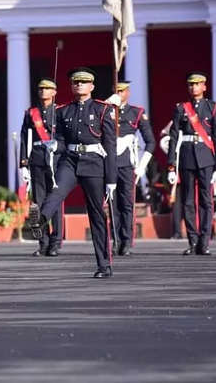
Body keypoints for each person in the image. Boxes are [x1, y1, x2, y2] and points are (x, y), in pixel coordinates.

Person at [27, 67, 115, 278]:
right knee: (56, 191)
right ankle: (41, 220)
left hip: (94, 162)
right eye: (76, 82)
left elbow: (110, 146)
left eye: (83, 82)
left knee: (96, 214)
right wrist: (55, 145)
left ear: (91, 86)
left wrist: (111, 179)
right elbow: (63, 139)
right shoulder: (63, 111)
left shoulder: (102, 109)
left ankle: (104, 264)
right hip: (70, 160)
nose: (79, 85)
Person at [166, 72, 216, 256]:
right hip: (187, 157)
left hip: (206, 158)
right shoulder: (182, 108)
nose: (193, 87)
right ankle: (192, 240)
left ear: (204, 87)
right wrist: (171, 165)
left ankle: (204, 242)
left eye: (197, 84)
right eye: (191, 84)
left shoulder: (213, 108)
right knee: (188, 201)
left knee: (206, 201)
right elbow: (173, 137)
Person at [109, 81, 155, 256]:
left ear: (128, 93)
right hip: (109, 163)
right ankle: (115, 240)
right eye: (116, 91)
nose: (119, 94)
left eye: (122, 91)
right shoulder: (105, 110)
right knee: (111, 205)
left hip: (127, 165)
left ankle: (126, 241)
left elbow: (150, 142)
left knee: (126, 204)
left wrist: (142, 166)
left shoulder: (136, 113)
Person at [18, 78, 62, 257]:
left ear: (54, 92)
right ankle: (43, 242)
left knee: (55, 202)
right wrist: (23, 162)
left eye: (47, 88)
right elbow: (23, 137)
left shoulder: (59, 112)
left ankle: (55, 242)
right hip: (36, 159)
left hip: (55, 160)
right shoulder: (31, 113)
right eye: (41, 88)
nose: (43, 91)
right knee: (39, 201)